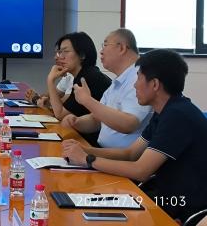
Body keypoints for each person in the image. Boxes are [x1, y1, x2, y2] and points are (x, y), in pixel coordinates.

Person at [62, 49, 207, 223]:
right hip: (165, 198)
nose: (135, 85)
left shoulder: (178, 115)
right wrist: (85, 150)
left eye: (138, 78)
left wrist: (87, 159)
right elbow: (130, 154)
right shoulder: (165, 111)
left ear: (154, 84)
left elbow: (140, 171)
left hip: (184, 209)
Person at [62, 28, 152, 148]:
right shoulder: (118, 81)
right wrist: (77, 122)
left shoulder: (138, 78)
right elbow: (97, 120)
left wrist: (87, 100)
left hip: (121, 157)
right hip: (103, 151)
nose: (101, 52)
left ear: (121, 48)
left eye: (105, 45)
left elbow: (129, 124)